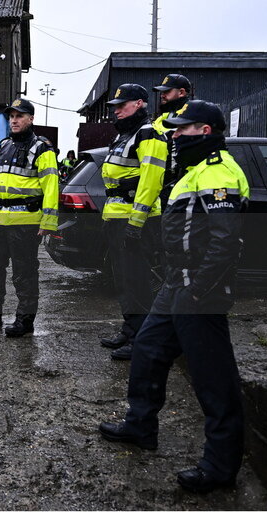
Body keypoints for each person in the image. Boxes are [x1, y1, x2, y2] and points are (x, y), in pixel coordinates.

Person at [98, 100, 250, 495]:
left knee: (212, 377)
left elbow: (225, 240)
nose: (175, 136)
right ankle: (141, 426)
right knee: (148, 349)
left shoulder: (219, 173)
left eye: (182, 130)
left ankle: (220, 466)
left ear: (206, 131)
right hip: (175, 285)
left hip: (200, 290)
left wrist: (201, 288)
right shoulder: (192, 171)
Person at [0, 98, 59, 337]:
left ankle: (24, 320)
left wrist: (48, 221)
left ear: (31, 119)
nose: (14, 120)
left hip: (26, 222)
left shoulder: (41, 148)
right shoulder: (2, 146)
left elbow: (51, 186)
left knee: (24, 273)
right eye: (11, 116)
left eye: (20, 116)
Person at [99, 84, 168, 360]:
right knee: (124, 281)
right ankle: (130, 331)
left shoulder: (148, 134)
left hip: (135, 221)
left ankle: (142, 339)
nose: (116, 110)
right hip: (116, 218)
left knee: (138, 283)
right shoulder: (125, 135)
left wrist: (136, 223)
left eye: (121, 105)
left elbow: (151, 182)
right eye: (114, 106)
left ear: (139, 104)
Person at [152, 73, 193, 201]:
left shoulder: (192, 115)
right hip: (161, 186)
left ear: (181, 92)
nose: (162, 95)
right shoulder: (161, 119)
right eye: (161, 92)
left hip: (182, 185)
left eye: (167, 91)